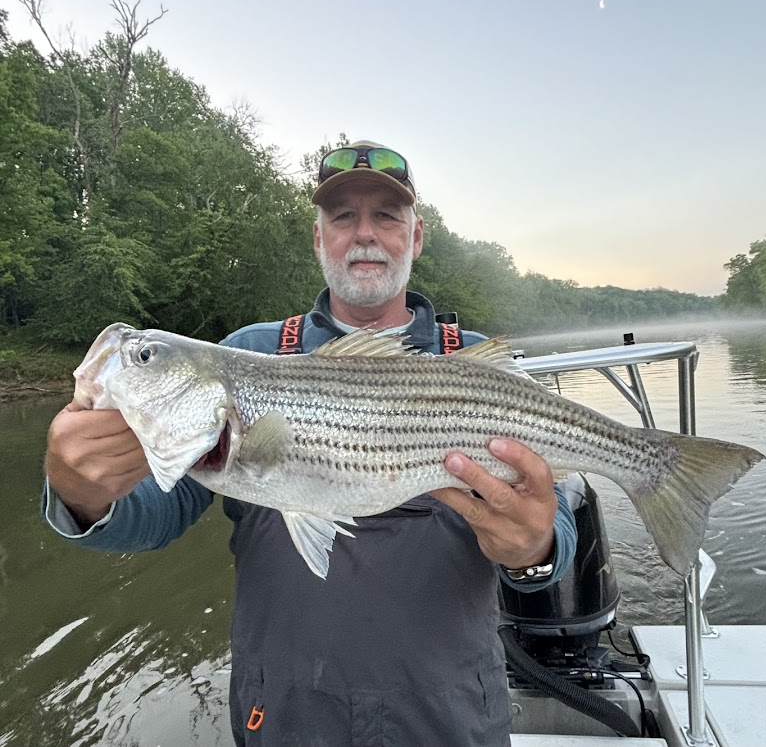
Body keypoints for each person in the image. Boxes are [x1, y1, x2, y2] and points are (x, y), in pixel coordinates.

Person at [44, 140, 578, 747]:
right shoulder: (248, 351)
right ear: (318, 238)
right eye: (343, 217)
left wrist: (534, 550)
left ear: (416, 238)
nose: (365, 234)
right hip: (287, 715)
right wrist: (82, 495)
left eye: (386, 216)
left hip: (450, 716)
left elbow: (552, 524)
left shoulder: (475, 364)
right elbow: (156, 514)